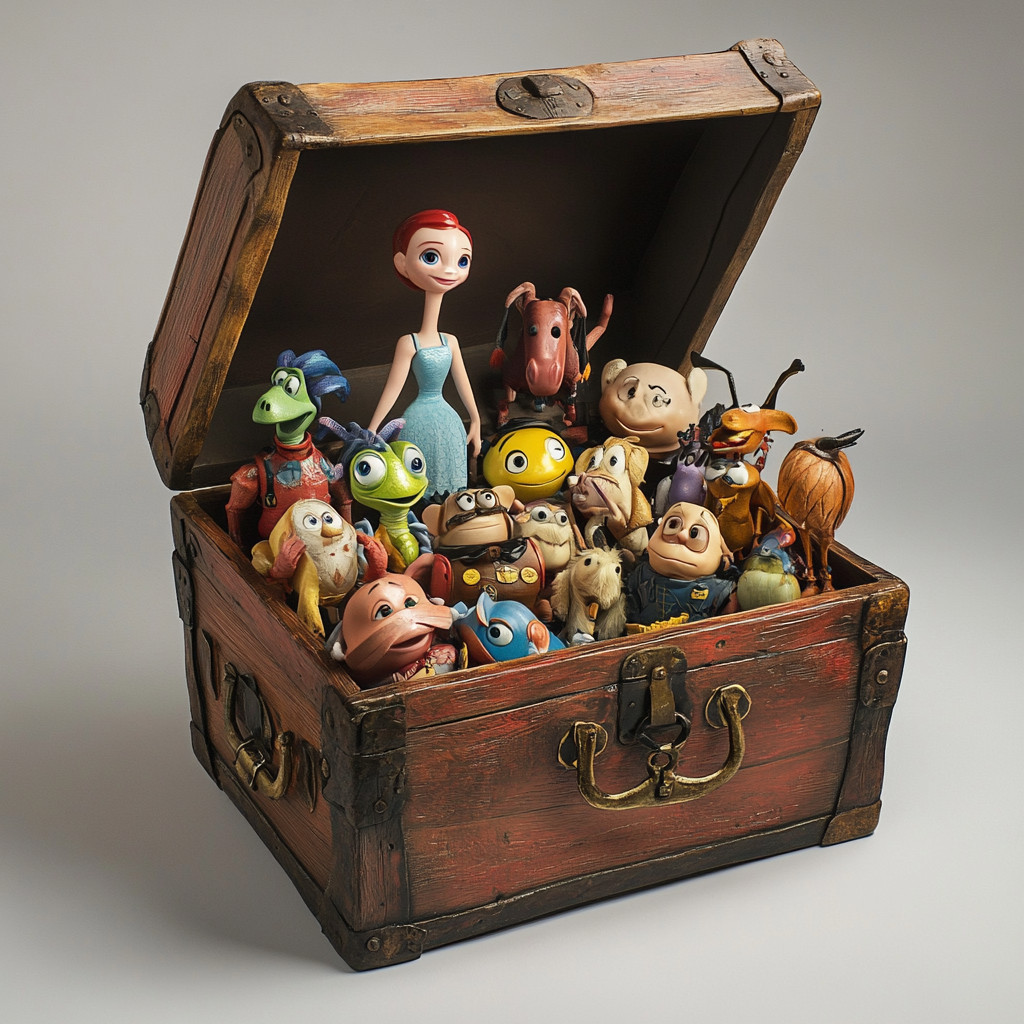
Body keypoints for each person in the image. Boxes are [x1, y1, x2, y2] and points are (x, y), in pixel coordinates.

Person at [368, 209, 481, 497]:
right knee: (419, 481)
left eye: (462, 260)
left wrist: (476, 420)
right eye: (431, 257)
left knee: (452, 485)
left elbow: (463, 384)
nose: (449, 270)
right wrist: (373, 428)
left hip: (450, 421)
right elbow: (393, 388)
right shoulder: (409, 343)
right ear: (402, 264)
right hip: (418, 421)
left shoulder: (450, 341)